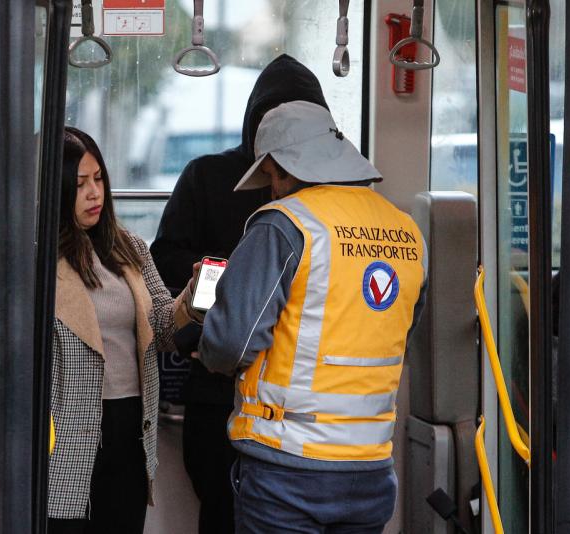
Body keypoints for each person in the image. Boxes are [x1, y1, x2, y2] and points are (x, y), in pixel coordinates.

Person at [198, 101, 429, 534]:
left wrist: (206, 332)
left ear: (283, 167)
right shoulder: (408, 232)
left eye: (269, 177)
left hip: (286, 470)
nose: (271, 189)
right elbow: (401, 333)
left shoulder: (284, 225)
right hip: (372, 471)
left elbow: (232, 344)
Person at [149, 54, 330, 534]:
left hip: (299, 401)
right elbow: (164, 261)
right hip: (219, 391)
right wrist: (222, 289)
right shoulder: (207, 176)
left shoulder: (336, 195)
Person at [47, 127, 199, 534]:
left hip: (132, 426)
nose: (94, 193)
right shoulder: (38, 257)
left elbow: (164, 328)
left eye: (99, 179)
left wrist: (193, 295)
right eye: (79, 184)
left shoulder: (128, 248)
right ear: (54, 189)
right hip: (69, 433)